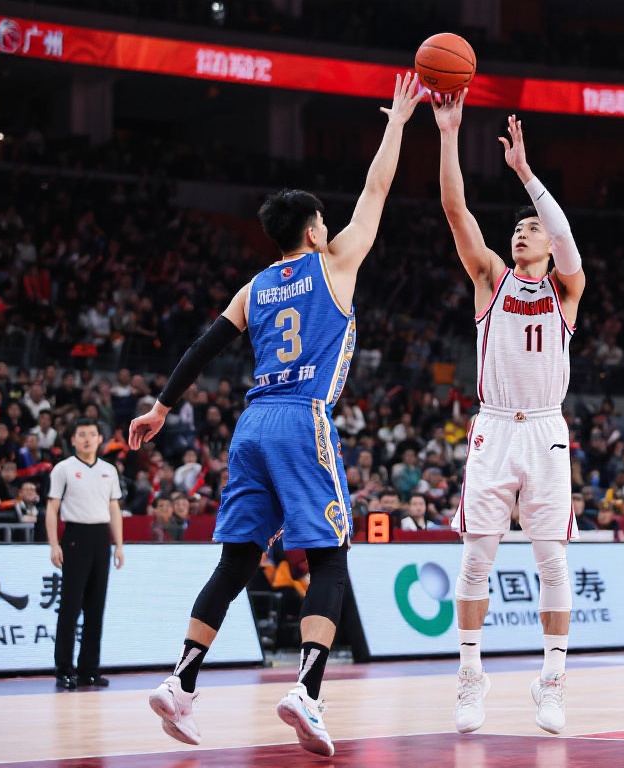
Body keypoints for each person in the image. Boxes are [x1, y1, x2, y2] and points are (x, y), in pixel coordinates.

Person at [128, 74, 422, 758]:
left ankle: (180, 683)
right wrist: (399, 123)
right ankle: (309, 691)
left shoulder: (255, 285)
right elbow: (377, 191)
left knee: (236, 561)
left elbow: (204, 346)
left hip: (251, 428)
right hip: (300, 418)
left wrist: (161, 406)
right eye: (325, 220)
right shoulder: (335, 262)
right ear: (316, 229)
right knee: (330, 555)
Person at [432, 91, 586, 736]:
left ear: (547, 245)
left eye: (532, 229)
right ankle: (471, 676)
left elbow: (568, 238)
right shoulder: (491, 278)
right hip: (494, 426)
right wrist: (449, 133)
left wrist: (525, 171)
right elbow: (454, 209)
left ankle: (551, 680)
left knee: (553, 562)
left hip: (546, 429)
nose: (521, 233)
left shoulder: (567, 287)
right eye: (517, 227)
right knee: (476, 560)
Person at [45, 417, 125, 691]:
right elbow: (52, 509)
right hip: (75, 537)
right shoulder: (63, 469)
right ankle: (64, 669)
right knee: (70, 607)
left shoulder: (109, 470)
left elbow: (114, 508)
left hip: (101, 538)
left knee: (95, 607)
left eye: (92, 434)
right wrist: (54, 544)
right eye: (82, 434)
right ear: (73, 439)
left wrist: (119, 544)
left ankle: (89, 669)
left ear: (100, 438)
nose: (88, 438)